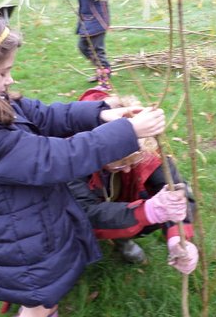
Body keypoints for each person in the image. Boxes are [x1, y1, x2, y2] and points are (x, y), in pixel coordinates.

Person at [0, 5, 166, 317]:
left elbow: (42, 115)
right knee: (39, 302)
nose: (10, 79)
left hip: (27, 222)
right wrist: (126, 131)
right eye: (3, 73)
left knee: (46, 299)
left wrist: (99, 113)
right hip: (19, 240)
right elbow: (55, 157)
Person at [67, 89, 198, 273]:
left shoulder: (144, 145)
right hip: (71, 212)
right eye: (120, 164)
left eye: (132, 162)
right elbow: (84, 214)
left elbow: (176, 189)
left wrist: (178, 237)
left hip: (117, 202)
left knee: (162, 202)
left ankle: (122, 237)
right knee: (71, 228)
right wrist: (146, 212)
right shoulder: (71, 155)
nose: (127, 169)